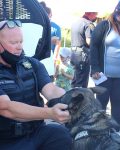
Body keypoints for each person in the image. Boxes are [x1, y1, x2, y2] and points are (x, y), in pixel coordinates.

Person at [0, 20, 72, 150]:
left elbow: (51, 90)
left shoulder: (32, 64)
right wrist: (49, 113)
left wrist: (75, 99)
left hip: (35, 132)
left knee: (62, 135)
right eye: (13, 43)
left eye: (21, 41)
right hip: (5, 140)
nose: (19, 47)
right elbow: (6, 108)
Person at [90, 0, 120, 132]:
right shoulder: (104, 25)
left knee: (117, 103)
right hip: (102, 75)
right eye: (119, 10)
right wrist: (94, 68)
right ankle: (98, 132)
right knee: (101, 102)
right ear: (115, 10)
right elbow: (93, 47)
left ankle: (115, 134)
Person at [71, 12, 98, 88]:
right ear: (90, 14)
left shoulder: (75, 22)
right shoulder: (88, 24)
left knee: (75, 80)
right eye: (95, 14)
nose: (96, 16)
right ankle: (80, 99)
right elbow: (89, 41)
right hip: (83, 55)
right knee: (81, 83)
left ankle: (72, 98)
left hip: (74, 53)